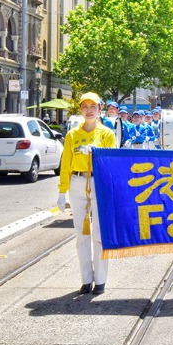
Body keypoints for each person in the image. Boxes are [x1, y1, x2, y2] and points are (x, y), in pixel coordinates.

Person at [56, 92, 118, 296]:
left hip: (98, 183)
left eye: (93, 106)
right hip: (77, 183)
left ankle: (100, 280)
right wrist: (62, 191)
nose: (89, 110)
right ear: (80, 109)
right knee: (82, 236)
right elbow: (65, 163)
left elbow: (112, 164)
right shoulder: (72, 135)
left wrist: (96, 154)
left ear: (100, 109)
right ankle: (86, 279)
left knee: (99, 235)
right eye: (85, 106)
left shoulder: (107, 134)